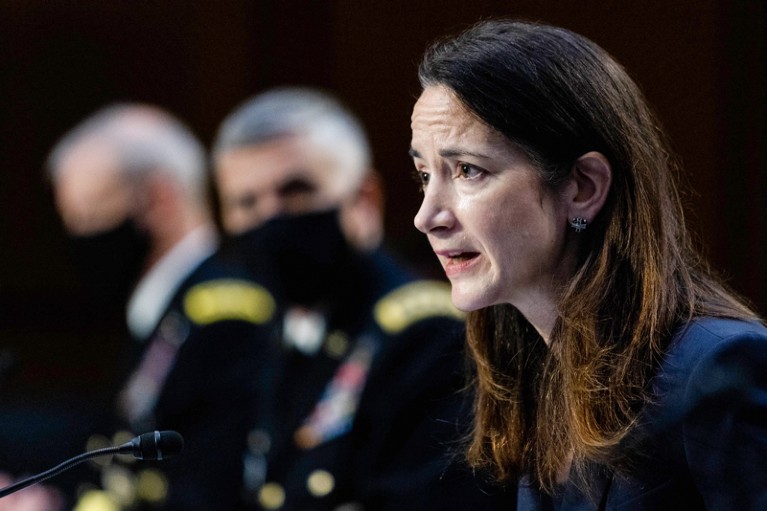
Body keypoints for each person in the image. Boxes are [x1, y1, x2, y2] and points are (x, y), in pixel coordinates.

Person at [409, 18, 767, 510]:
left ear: (583, 187)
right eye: (425, 174)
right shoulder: (532, 374)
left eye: (468, 170)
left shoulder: (717, 366)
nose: (427, 216)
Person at [212, 87, 514, 510]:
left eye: (295, 191)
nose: (269, 219)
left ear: (363, 199)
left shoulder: (427, 339)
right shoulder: (266, 336)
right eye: (246, 203)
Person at [48, 104, 277, 511]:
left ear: (159, 197)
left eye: (90, 215)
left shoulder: (224, 317)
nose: (81, 238)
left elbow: (207, 490)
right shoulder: (162, 313)